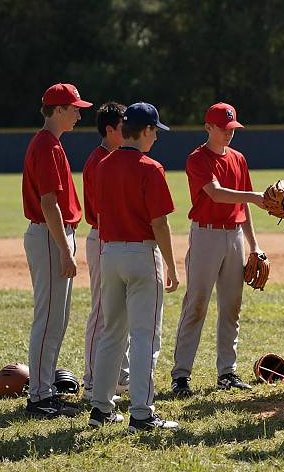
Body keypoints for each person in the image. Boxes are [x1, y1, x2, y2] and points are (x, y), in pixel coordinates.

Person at [88, 102, 180, 432]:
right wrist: (171, 265)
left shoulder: (104, 165)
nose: (156, 137)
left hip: (109, 253)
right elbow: (159, 223)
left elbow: (99, 214)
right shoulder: (150, 167)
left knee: (111, 333)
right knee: (144, 337)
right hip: (141, 255)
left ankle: (100, 409)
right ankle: (141, 413)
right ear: (144, 131)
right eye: (155, 130)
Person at [171, 102, 264, 397]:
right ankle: (181, 375)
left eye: (232, 128)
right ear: (208, 127)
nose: (228, 134)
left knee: (231, 306)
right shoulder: (198, 159)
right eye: (223, 129)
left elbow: (244, 206)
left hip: (235, 236)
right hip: (206, 236)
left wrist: (254, 245)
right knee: (196, 304)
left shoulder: (238, 159)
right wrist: (254, 195)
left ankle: (227, 372)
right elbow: (216, 193)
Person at [22, 83, 92, 418]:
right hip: (51, 236)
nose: (79, 114)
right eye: (75, 108)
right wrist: (65, 250)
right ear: (59, 110)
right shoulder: (47, 145)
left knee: (57, 319)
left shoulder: (51, 144)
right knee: (49, 319)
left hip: (54, 235)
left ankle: (45, 389)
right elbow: (48, 204)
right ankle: (38, 398)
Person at [82, 102, 130, 402]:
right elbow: (102, 211)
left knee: (119, 312)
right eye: (123, 128)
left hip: (115, 238)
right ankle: (91, 381)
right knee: (102, 311)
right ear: (110, 130)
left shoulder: (115, 158)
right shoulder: (98, 161)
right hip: (103, 237)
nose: (129, 132)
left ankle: (119, 376)